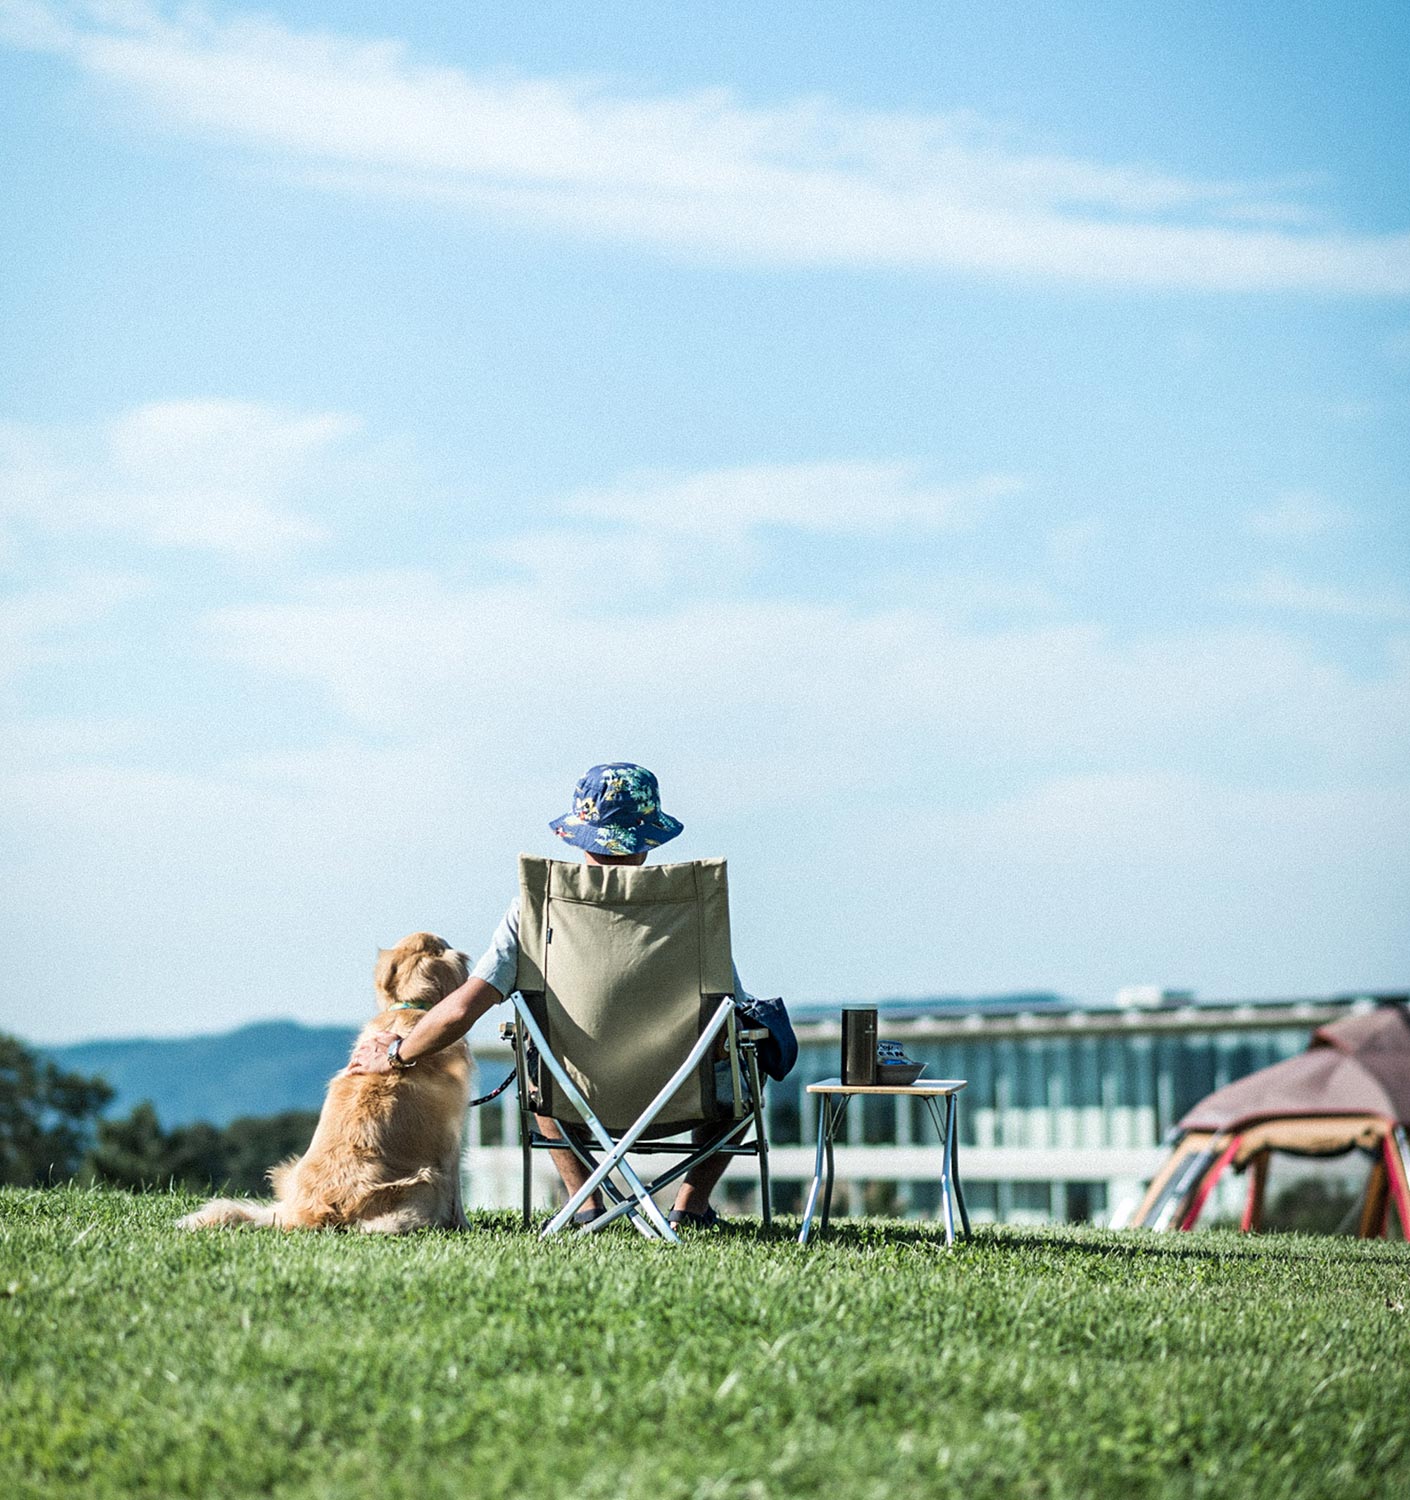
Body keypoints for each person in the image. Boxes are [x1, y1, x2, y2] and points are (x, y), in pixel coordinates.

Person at [347, 762, 753, 1229]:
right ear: (650, 840)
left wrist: (396, 1054)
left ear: (579, 838)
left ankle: (587, 1205)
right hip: (684, 1096)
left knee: (540, 1059)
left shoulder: (537, 910)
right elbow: (732, 1009)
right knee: (751, 1061)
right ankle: (690, 1209)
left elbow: (462, 1009)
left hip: (572, 1096)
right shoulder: (687, 910)